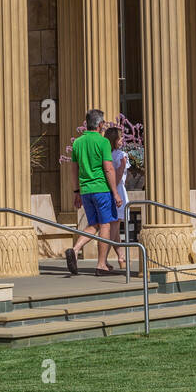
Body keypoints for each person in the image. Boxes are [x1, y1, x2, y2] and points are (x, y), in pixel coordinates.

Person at [65, 108, 123, 276]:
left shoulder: (78, 142)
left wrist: (76, 191)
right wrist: (115, 193)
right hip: (102, 189)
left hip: (85, 190)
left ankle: (75, 249)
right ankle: (101, 264)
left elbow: (74, 170)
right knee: (105, 224)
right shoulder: (103, 142)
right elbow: (109, 168)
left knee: (95, 224)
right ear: (101, 124)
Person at [104, 125, 132, 272]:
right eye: (120, 137)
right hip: (117, 190)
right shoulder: (121, 155)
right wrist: (114, 191)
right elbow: (120, 173)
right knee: (114, 228)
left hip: (110, 189)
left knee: (114, 226)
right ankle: (104, 259)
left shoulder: (107, 154)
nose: (122, 140)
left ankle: (120, 257)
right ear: (114, 140)